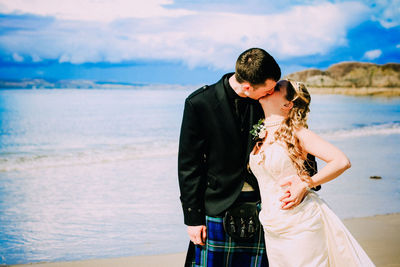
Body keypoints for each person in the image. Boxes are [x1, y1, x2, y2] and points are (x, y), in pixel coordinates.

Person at [178, 48, 318, 266]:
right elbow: (189, 165)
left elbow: (294, 137)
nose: (272, 93)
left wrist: (306, 180)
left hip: (266, 204)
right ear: (247, 87)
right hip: (218, 204)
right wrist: (193, 219)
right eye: (269, 89)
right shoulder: (200, 104)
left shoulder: (266, 100)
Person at [249, 79, 375, 266]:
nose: (270, 89)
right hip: (272, 225)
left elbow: (341, 161)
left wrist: (306, 183)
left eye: (277, 88)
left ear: (287, 104)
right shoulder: (260, 134)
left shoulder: (298, 133)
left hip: (301, 223)